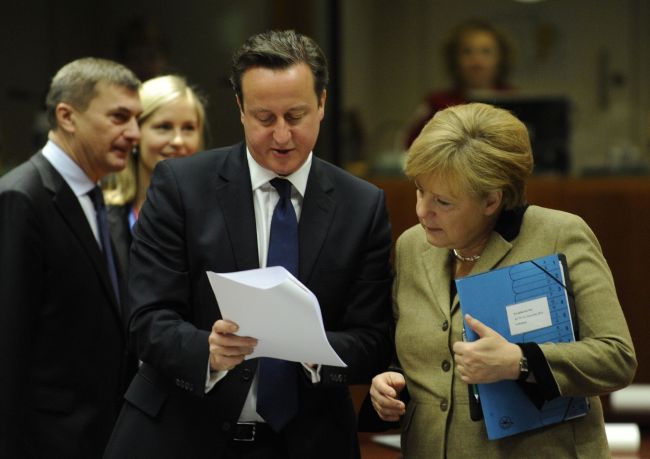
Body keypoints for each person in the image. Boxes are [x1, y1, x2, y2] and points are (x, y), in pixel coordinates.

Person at [103, 30, 393, 458]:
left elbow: (373, 339)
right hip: (183, 435)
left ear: (322, 104)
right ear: (240, 109)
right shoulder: (182, 186)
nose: (281, 136)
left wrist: (313, 350)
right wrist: (208, 350)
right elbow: (145, 319)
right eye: (264, 118)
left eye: (295, 117)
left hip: (307, 440)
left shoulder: (362, 205)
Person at [368, 103, 636, 457]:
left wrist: (519, 361)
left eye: (443, 202)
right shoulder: (411, 246)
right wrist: (389, 382)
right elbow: (421, 353)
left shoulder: (559, 235)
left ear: (491, 200)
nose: (422, 212)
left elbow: (616, 358)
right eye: (420, 191)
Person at [0, 57, 141, 458]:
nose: (134, 133)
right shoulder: (22, 197)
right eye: (119, 117)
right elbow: (8, 346)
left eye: (136, 118)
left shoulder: (100, 200)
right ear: (67, 116)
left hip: (101, 437)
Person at [103, 74, 206, 277]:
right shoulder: (103, 213)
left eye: (188, 128)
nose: (178, 140)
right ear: (136, 133)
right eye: (164, 127)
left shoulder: (216, 213)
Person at [403, 19, 514, 148]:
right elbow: (412, 146)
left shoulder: (515, 100)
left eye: (486, 52)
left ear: (500, 58)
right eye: (467, 52)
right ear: (455, 59)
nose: (477, 61)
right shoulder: (437, 102)